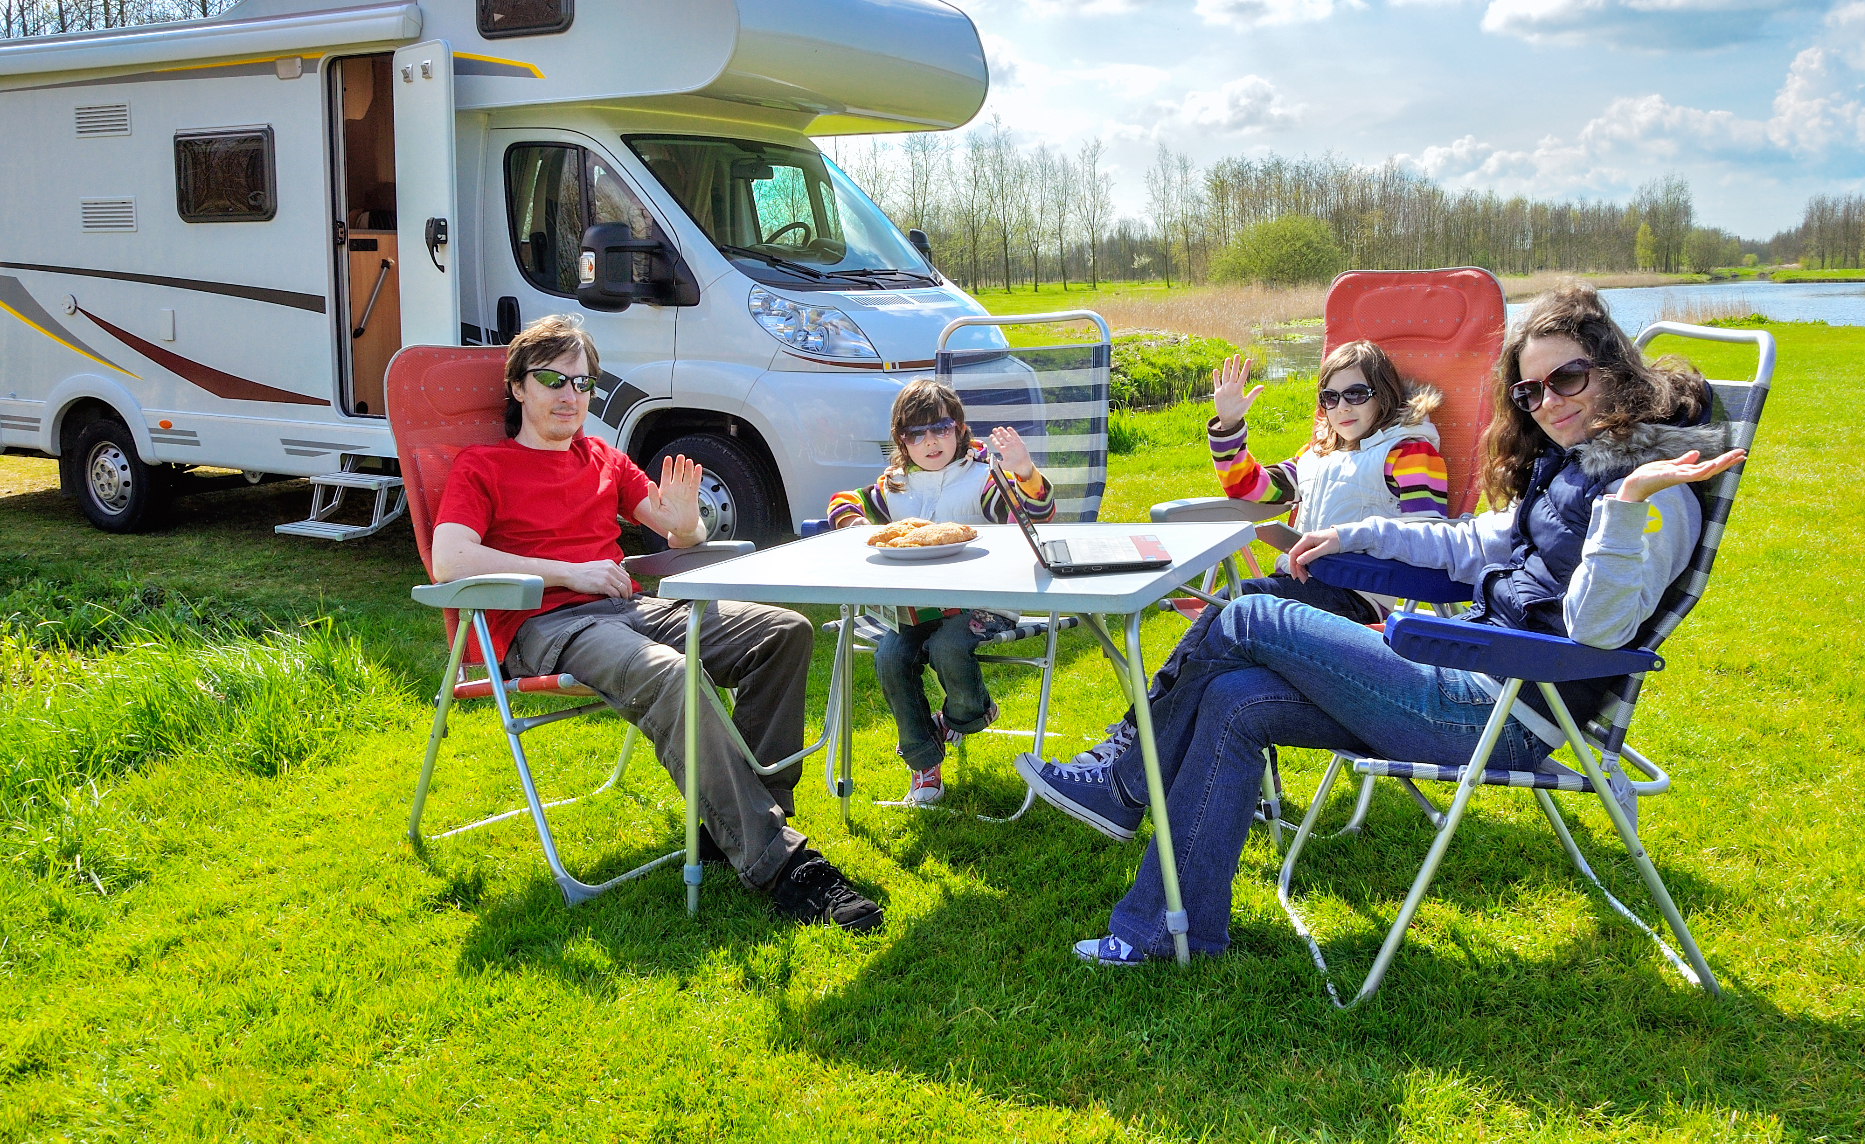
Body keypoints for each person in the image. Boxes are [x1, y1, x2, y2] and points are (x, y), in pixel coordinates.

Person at [1029, 284, 1746, 964]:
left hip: (1501, 712)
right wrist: (1355, 538)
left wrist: (1623, 506)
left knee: (1245, 615)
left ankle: (1123, 785)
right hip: (1465, 681)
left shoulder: (1654, 491)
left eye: (1568, 379)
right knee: (1231, 701)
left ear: (1613, 371)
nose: (1548, 403)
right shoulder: (1571, 466)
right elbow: (1469, 542)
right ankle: (1161, 931)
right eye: (1531, 390)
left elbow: (1598, 632)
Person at [430, 314, 882, 932]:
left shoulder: (604, 460)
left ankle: (748, 823)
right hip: (547, 625)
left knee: (783, 633)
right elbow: (451, 559)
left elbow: (680, 532)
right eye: (552, 380)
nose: (571, 396)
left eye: (583, 384)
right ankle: (781, 864)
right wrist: (571, 572)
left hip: (628, 607)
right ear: (518, 387)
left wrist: (690, 521)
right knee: (670, 676)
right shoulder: (483, 466)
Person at [1028, 342, 1449, 786]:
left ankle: (1131, 750)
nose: (1341, 407)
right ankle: (1137, 756)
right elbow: (1251, 487)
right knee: (1223, 630)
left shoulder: (1409, 451)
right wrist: (1229, 424)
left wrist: (1342, 549)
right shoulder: (1319, 457)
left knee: (1233, 603)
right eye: (1330, 397)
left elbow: (1425, 538)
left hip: (1355, 600)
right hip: (1304, 588)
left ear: (1382, 394)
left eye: (1356, 394)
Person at [827, 379, 1055, 806]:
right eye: (918, 434)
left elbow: (1033, 514)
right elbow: (843, 500)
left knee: (950, 647)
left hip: (984, 602)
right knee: (890, 656)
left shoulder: (984, 478)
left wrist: (1024, 472)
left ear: (960, 429)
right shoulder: (894, 486)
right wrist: (856, 524)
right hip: (917, 608)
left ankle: (967, 714)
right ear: (902, 440)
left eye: (942, 429)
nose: (931, 442)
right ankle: (923, 762)